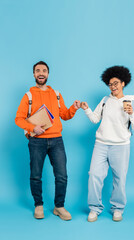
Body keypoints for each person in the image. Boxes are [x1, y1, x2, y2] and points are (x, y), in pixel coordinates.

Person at [15, 61, 80, 220]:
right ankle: (38, 205)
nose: (41, 73)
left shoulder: (56, 94)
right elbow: (19, 119)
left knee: (62, 175)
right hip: (37, 141)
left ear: (48, 74)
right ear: (34, 74)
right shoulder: (28, 96)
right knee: (36, 175)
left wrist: (74, 107)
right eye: (38, 71)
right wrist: (32, 128)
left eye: (44, 70)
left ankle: (59, 206)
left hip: (57, 140)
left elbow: (64, 115)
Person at [81, 66, 134, 222]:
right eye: (110, 84)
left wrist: (131, 114)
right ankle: (94, 208)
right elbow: (95, 119)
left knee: (119, 178)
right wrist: (86, 109)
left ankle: (118, 209)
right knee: (94, 175)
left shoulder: (131, 102)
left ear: (123, 83)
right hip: (101, 144)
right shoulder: (105, 100)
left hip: (121, 146)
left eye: (115, 83)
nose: (113, 87)